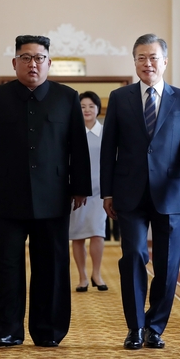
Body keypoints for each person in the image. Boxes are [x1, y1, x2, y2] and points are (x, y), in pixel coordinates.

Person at [0, 35, 92, 349]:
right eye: (26, 57)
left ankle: (48, 330)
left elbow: (78, 147)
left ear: (49, 62)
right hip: (6, 197)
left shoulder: (66, 97)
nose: (33, 64)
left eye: (39, 58)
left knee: (51, 265)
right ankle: (6, 330)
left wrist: (80, 188)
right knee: (6, 265)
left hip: (54, 197)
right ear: (15, 62)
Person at [100, 33, 180, 350]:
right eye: (141, 58)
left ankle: (155, 327)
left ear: (165, 62)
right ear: (134, 63)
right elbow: (108, 148)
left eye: (153, 57)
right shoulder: (120, 98)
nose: (148, 63)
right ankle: (135, 327)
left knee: (167, 265)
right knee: (133, 255)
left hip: (171, 193)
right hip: (128, 193)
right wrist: (107, 192)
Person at [69, 91, 108, 293]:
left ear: (98, 109)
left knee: (97, 233)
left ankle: (97, 274)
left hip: (100, 191)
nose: (87, 110)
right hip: (77, 191)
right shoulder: (72, 132)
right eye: (82, 106)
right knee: (77, 235)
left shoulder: (106, 132)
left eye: (91, 106)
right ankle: (82, 276)